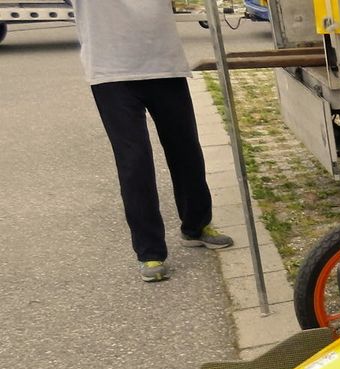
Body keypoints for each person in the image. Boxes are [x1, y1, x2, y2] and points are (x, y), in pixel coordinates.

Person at [73, 0, 234, 282]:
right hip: (110, 72)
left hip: (164, 62)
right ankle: (149, 252)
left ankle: (195, 227)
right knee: (134, 163)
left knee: (186, 151)